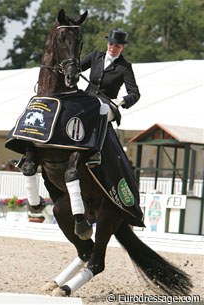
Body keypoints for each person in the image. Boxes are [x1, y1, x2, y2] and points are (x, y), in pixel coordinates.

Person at [64, 29, 141, 235]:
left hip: (108, 104)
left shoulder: (125, 67)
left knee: (102, 111)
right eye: (110, 44)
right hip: (88, 99)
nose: (112, 47)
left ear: (122, 47)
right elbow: (77, 66)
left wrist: (121, 101)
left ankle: (95, 151)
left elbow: (135, 93)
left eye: (116, 45)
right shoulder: (96, 56)